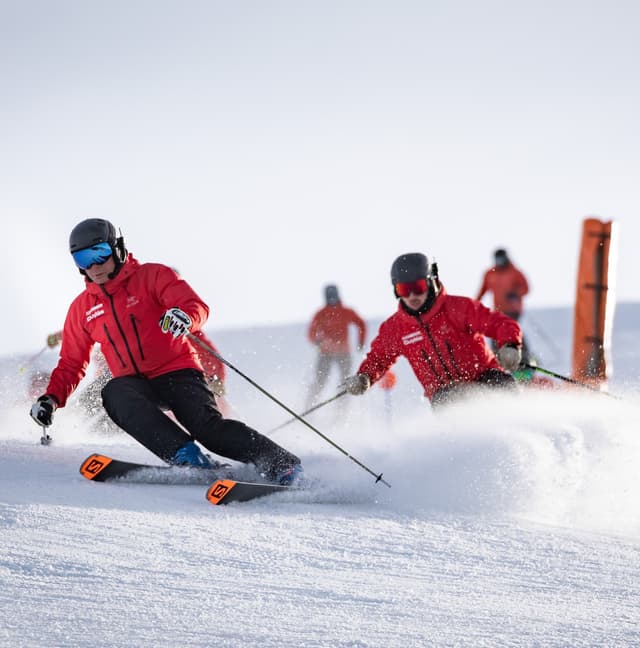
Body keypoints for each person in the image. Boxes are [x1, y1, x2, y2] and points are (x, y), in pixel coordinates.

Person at [29, 218, 302, 485]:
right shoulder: (83, 308)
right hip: (136, 384)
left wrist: (185, 316)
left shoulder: (152, 276)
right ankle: (186, 456)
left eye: (100, 254)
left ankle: (282, 464)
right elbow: (71, 363)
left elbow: (194, 304)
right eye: (83, 260)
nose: (94, 266)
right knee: (113, 393)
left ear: (117, 248)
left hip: (177, 372)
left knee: (208, 430)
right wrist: (51, 398)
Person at [342, 253, 523, 409]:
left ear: (431, 282)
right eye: (404, 289)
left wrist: (509, 345)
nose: (412, 296)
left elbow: (498, 322)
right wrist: (364, 377)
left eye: (417, 287)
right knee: (455, 399)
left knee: (504, 387)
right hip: (445, 394)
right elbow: (378, 359)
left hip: (484, 377)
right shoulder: (396, 328)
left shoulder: (458, 308)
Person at [306, 284, 367, 409]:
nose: (332, 299)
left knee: (346, 383)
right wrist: (316, 340)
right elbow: (311, 331)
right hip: (325, 353)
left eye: (333, 296)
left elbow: (361, 324)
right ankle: (308, 409)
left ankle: (341, 414)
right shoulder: (321, 313)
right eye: (330, 296)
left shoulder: (346, 311)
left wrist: (360, 342)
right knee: (319, 382)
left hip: (343, 353)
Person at [476, 248, 532, 365]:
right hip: (498, 310)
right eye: (498, 259)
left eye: (502, 259)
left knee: (510, 330)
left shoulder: (515, 272)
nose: (500, 261)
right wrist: (475, 304)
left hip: (513, 309)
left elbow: (526, 288)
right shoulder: (490, 274)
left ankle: (523, 358)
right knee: (495, 332)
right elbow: (483, 290)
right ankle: (498, 360)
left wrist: (516, 293)